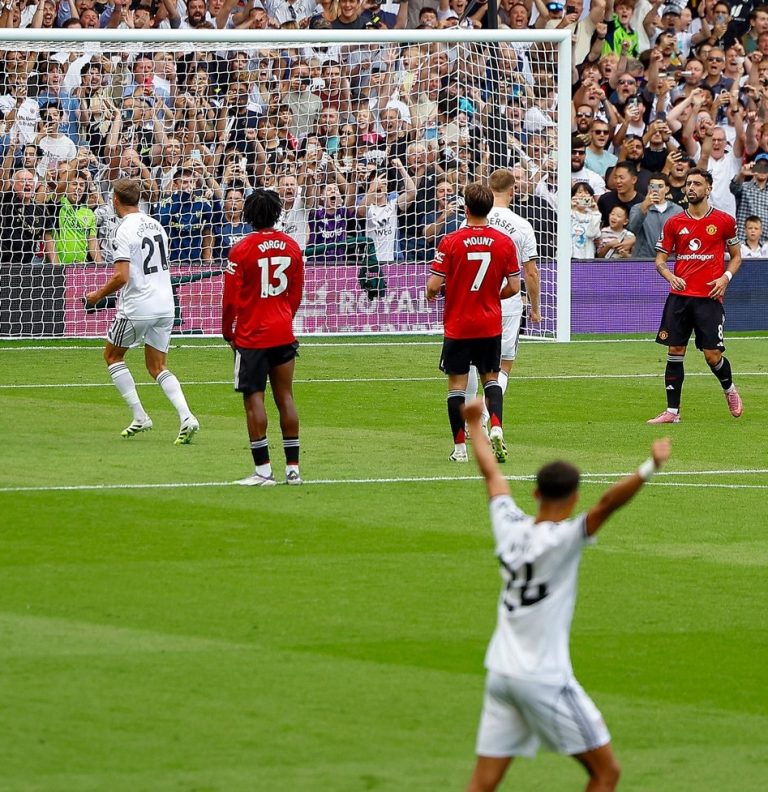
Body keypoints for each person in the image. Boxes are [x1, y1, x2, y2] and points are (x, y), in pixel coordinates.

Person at [463, 395, 672, 792]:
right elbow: (606, 504)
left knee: (483, 782)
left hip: (501, 674)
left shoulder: (509, 525)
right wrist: (650, 466)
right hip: (543, 679)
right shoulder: (564, 539)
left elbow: (492, 475)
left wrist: (474, 423)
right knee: (606, 772)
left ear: (535, 494)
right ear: (575, 498)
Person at [84, 178, 199, 444]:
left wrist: (97, 296)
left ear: (115, 200)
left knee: (112, 356)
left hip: (138, 305)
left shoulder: (122, 230)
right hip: (166, 304)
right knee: (157, 366)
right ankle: (187, 417)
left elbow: (121, 276)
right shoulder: (156, 225)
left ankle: (140, 416)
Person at [426, 182, 521, 465]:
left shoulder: (451, 241)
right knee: (491, 378)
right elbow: (515, 287)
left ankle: (460, 449)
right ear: (489, 208)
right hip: (489, 324)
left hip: (459, 325)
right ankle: (496, 426)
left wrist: (431, 294)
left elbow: (433, 286)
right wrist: (492, 295)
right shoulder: (504, 242)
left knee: (456, 386)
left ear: (465, 209)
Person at [221, 188, 304, 487]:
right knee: (286, 396)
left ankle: (264, 471)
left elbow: (230, 300)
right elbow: (296, 293)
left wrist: (227, 332)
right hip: (283, 331)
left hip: (252, 336)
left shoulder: (241, 249)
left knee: (254, 397)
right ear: (277, 212)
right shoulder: (292, 246)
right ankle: (293, 470)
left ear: (248, 215)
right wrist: (284, 318)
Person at [649, 167, 744, 424]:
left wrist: (725, 278)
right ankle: (672, 412)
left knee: (712, 355)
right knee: (675, 349)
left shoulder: (724, 221)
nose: (691, 187)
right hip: (679, 298)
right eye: (689, 183)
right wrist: (670, 276)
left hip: (709, 298)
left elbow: (736, 257)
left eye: (697, 184)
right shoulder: (674, 223)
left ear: (708, 189)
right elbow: (660, 260)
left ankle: (729, 389)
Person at [465, 169, 542, 431]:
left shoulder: (470, 220)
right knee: (503, 365)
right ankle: (486, 418)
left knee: (471, 362)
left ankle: (470, 418)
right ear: (513, 190)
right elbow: (530, 272)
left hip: (474, 301)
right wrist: (535, 308)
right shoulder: (521, 225)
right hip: (506, 303)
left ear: (488, 188)